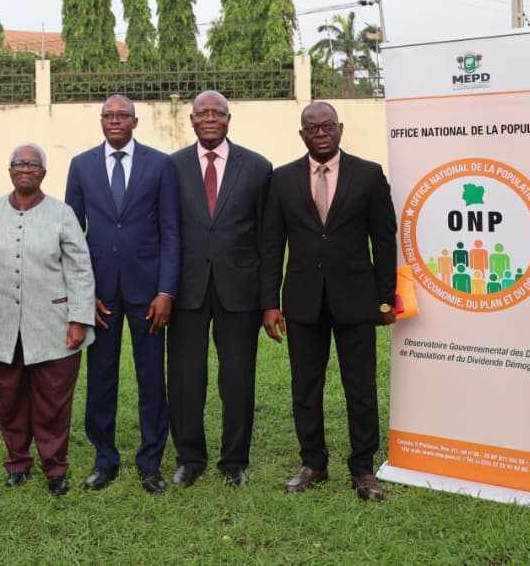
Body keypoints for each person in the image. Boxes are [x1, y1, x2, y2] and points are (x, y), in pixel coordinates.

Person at [260, 101, 397, 501]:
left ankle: (362, 469)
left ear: (340, 128)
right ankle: (313, 463)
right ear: (302, 134)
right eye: (312, 128)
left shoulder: (368, 174)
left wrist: (385, 299)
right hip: (303, 301)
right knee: (305, 387)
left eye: (327, 126)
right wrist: (269, 301)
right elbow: (272, 244)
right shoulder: (282, 179)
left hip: (356, 298)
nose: (320, 133)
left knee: (360, 387)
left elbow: (383, 240)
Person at [64, 94, 180, 495]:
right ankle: (104, 460)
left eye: (122, 115)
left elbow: (171, 231)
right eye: (108, 116)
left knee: (152, 378)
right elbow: (71, 235)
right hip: (100, 292)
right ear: (101, 121)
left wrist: (166, 290)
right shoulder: (81, 165)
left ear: (135, 121)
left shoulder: (160, 164)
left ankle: (151, 463)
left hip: (149, 292)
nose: (115, 121)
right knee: (101, 377)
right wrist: (83, 293)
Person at [0, 143, 95, 496]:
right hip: (2, 322)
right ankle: (17, 463)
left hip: (53, 323)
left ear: (43, 172)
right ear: (9, 170)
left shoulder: (62, 213)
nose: (25, 168)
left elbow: (80, 269)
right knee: (11, 399)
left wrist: (79, 320)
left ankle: (55, 468)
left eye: (33, 164)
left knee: (52, 402)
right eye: (19, 163)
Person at [167, 90, 272, 488]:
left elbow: (267, 239)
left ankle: (234, 462)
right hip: (186, 289)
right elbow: (165, 231)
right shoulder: (171, 167)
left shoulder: (258, 168)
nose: (210, 118)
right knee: (185, 378)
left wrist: (268, 300)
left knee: (238, 379)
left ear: (229, 119)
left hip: (239, 290)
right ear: (191, 120)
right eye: (202, 113)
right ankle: (189, 459)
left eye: (218, 113)